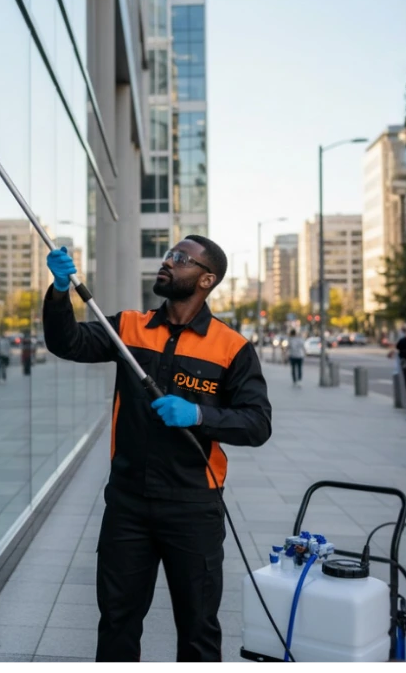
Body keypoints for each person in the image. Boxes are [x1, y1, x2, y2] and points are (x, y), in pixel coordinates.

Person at [42, 236, 272, 665]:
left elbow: (258, 423)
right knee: (117, 621)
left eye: (181, 259)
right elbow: (66, 342)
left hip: (193, 508)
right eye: (169, 254)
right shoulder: (127, 327)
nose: (168, 262)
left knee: (198, 627)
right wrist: (59, 291)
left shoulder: (232, 347)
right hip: (128, 504)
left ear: (207, 279)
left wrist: (199, 416)